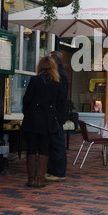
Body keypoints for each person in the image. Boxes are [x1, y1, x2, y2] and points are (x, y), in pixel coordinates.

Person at [21, 56, 61, 187]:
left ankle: (31, 179)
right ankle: (41, 180)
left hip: (32, 119)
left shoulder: (35, 80)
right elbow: (59, 103)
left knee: (31, 149)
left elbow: (26, 100)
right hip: (48, 121)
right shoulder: (56, 83)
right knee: (44, 150)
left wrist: (28, 113)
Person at [45, 51, 69, 182]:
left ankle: (59, 172)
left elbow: (61, 96)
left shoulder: (60, 75)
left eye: (49, 58)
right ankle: (52, 170)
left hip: (56, 113)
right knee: (53, 143)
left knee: (57, 143)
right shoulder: (58, 73)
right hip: (55, 112)